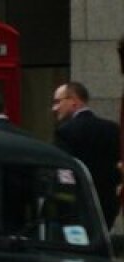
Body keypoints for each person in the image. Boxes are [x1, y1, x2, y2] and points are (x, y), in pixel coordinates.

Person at [52, 81, 122, 226]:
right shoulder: (112, 129)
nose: (55, 108)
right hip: (107, 205)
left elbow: (63, 172)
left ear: (73, 101)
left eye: (58, 102)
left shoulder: (65, 132)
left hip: (77, 207)